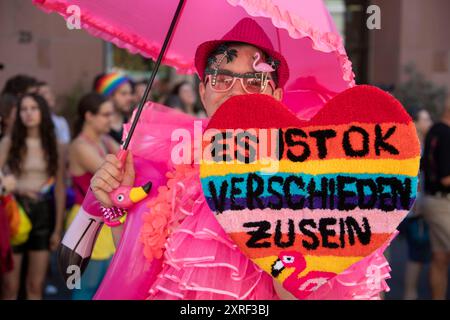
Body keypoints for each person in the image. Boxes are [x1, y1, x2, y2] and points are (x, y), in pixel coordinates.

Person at [84, 18, 391, 300]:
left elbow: (296, 293)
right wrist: (116, 208)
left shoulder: (308, 175)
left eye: (255, 82)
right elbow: (144, 267)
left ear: (276, 97)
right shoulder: (181, 167)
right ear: (204, 93)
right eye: (221, 80)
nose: (237, 93)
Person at [0, 93, 65, 299]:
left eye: (34, 108)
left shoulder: (54, 143)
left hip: (43, 212)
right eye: (24, 109)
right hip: (15, 211)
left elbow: (60, 187)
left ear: (43, 112)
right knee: (10, 286)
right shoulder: (9, 142)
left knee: (36, 286)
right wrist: (16, 189)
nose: (29, 113)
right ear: (18, 114)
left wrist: (57, 229)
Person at [66, 93, 119, 299]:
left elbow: (132, 160)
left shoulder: (105, 139)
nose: (111, 119)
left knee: (104, 287)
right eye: (106, 115)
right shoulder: (80, 146)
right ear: (89, 116)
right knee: (85, 288)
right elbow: (114, 176)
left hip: (105, 220)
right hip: (86, 220)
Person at [421, 97, 450, 300]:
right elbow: (446, 179)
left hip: (432, 201)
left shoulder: (433, 130)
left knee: (440, 258)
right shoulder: (447, 134)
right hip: (443, 203)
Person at [403, 107, 433, 299]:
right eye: (425, 119)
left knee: (422, 256)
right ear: (414, 122)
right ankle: (409, 293)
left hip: (418, 207)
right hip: (416, 209)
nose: (429, 122)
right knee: (417, 256)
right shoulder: (413, 146)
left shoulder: (423, 144)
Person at [94, 73, 134, 144]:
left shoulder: (129, 121)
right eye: (123, 94)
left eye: (130, 93)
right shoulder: (98, 125)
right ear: (110, 96)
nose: (130, 98)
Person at [35, 81, 71, 145]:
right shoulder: (33, 121)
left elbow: (66, 144)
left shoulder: (61, 121)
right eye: (44, 93)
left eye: (50, 92)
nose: (49, 96)